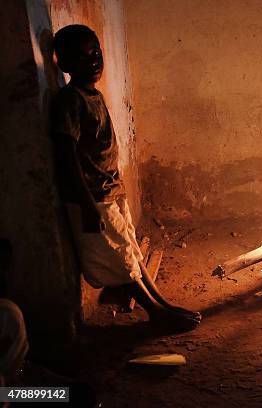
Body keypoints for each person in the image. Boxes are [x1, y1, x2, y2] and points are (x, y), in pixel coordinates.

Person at [51, 25, 201, 331]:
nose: (93, 61)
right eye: (81, 58)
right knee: (120, 261)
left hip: (110, 189)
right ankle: (155, 313)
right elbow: (66, 155)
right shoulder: (70, 101)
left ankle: (162, 303)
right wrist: (86, 204)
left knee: (131, 251)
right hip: (92, 196)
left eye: (96, 53)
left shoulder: (93, 95)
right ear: (64, 65)